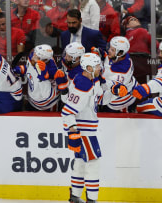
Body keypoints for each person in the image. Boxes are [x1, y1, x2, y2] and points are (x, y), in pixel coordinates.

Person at [62, 53, 105, 203]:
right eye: (98, 66)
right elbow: (67, 112)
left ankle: (75, 196)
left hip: (86, 131)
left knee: (80, 164)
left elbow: (98, 97)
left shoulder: (88, 81)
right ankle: (92, 200)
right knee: (93, 165)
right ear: (88, 68)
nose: (100, 68)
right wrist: (73, 131)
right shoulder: (83, 85)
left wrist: (116, 90)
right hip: (85, 132)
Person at [13, 44, 68, 111]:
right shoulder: (33, 57)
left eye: (36, 55)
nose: (33, 56)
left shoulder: (51, 70)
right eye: (35, 53)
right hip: (33, 99)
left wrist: (43, 77)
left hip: (48, 103)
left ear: (43, 60)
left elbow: (46, 94)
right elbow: (29, 68)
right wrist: (19, 69)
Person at [101, 36, 137, 112]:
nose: (109, 50)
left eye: (112, 50)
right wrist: (103, 54)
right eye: (110, 48)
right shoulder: (123, 56)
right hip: (130, 88)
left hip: (119, 102)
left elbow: (107, 86)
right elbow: (109, 61)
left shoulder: (121, 72)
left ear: (120, 53)